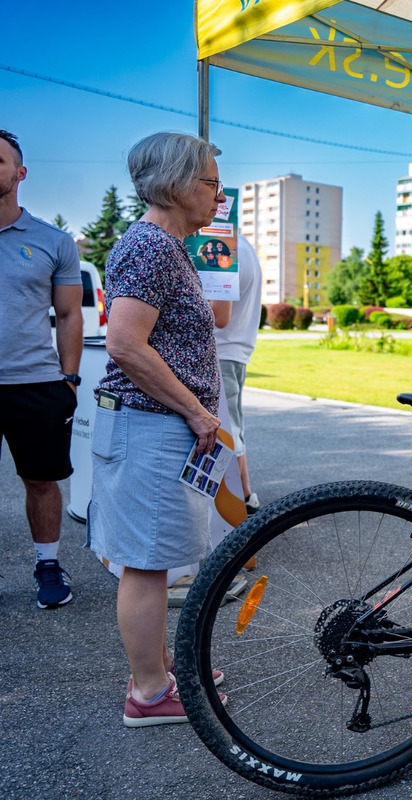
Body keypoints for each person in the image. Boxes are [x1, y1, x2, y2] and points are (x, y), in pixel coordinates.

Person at [88, 132, 226, 727]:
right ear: (176, 185)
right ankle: (149, 693)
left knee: (151, 559)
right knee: (145, 564)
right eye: (211, 183)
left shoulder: (165, 246)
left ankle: (158, 668)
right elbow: (123, 343)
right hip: (149, 425)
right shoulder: (151, 246)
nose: (219, 196)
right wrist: (195, 410)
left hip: (149, 426)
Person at [0, 129, 83, 610]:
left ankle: (48, 563)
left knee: (41, 481)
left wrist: (69, 380)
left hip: (36, 384)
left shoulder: (53, 242)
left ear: (20, 173)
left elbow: (69, 315)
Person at [214, 233, 263, 513]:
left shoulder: (224, 250)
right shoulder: (243, 246)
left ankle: (242, 500)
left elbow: (220, 314)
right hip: (235, 350)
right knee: (232, 424)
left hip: (222, 349)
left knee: (228, 427)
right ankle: (245, 496)